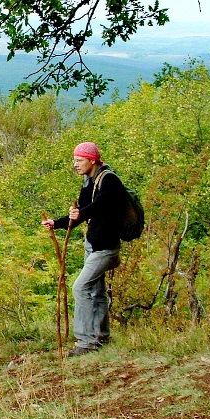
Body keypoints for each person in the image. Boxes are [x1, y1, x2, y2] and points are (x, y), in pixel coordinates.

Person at [42, 142, 126, 356]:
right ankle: (101, 337)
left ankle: (86, 342)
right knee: (96, 291)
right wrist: (57, 223)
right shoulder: (90, 181)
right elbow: (81, 213)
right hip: (93, 245)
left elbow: (100, 205)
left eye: (79, 160)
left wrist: (81, 212)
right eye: (75, 160)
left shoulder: (109, 180)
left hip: (106, 248)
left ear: (92, 160)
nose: (75, 164)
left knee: (80, 288)